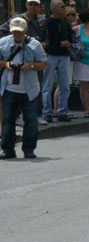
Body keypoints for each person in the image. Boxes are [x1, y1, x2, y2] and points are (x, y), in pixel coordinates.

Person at [0, 17, 48, 158]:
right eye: (14, 32)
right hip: (9, 88)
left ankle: (29, 149)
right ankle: (7, 150)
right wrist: (5, 65)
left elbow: (44, 63)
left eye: (20, 32)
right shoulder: (3, 43)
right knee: (8, 120)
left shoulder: (34, 44)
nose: (17, 35)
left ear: (25, 30)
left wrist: (31, 66)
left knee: (31, 120)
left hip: (29, 89)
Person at [40, 0, 74, 124]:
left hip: (63, 56)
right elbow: (42, 38)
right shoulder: (47, 22)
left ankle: (62, 111)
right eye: (62, 6)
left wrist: (68, 43)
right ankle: (47, 112)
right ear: (54, 9)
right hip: (50, 55)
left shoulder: (65, 24)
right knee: (47, 85)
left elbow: (71, 38)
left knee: (64, 85)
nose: (64, 9)